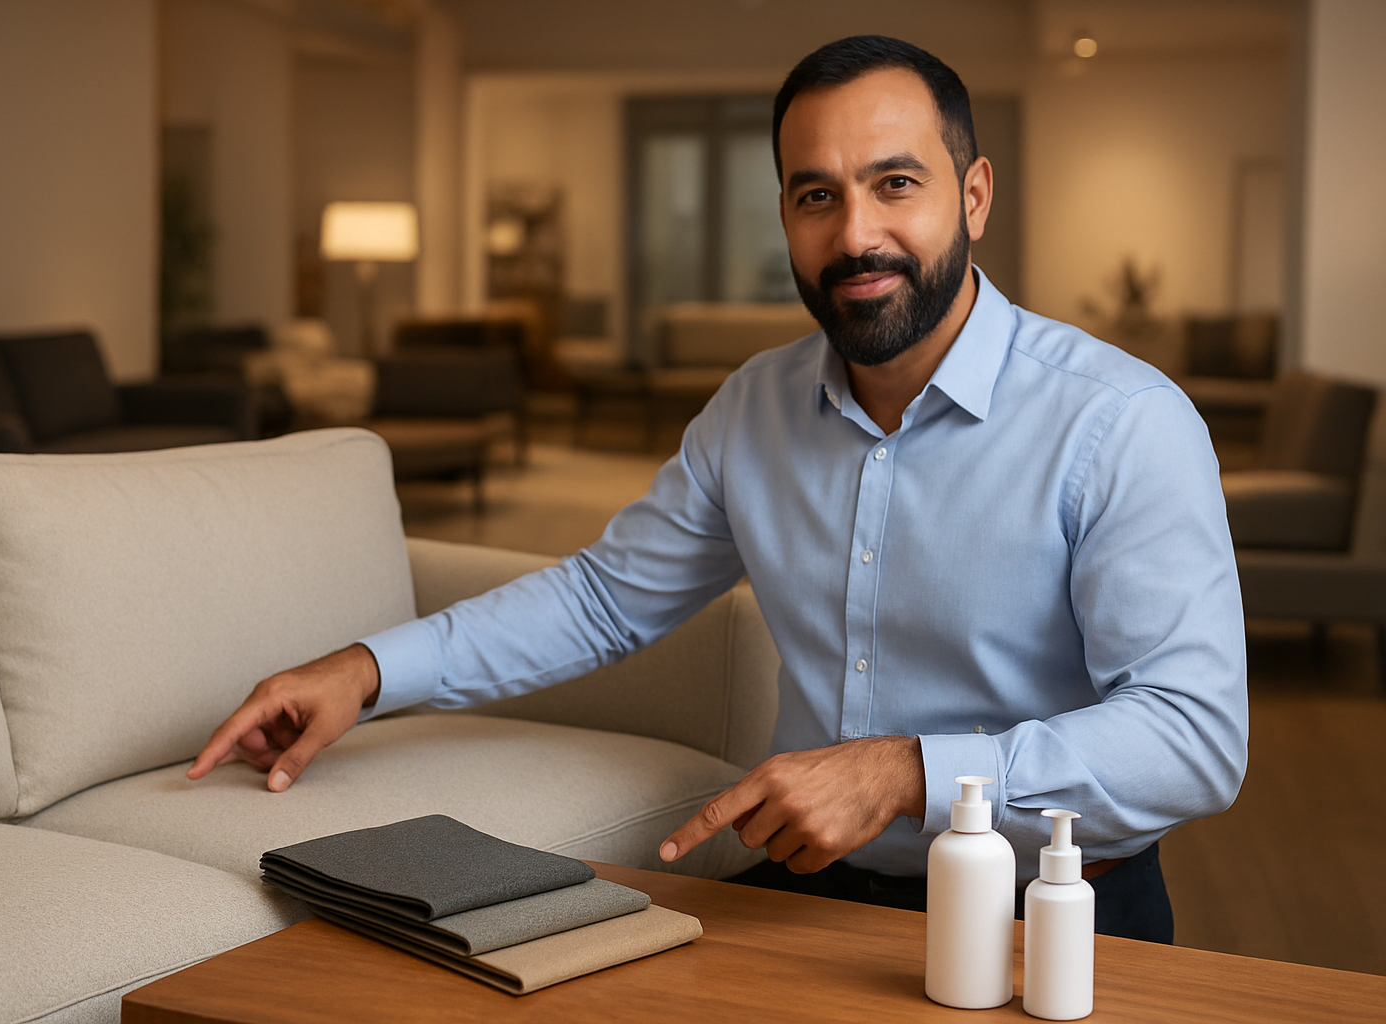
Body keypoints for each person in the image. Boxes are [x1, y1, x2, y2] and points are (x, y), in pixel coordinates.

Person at [189, 35, 1247, 944]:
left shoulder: (1120, 422)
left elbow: (1193, 736)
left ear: (972, 196)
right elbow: (602, 601)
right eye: (817, 195)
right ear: (784, 213)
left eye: (896, 183)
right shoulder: (755, 409)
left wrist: (905, 773)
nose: (856, 235)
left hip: (1056, 915)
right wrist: (369, 669)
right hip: (812, 903)